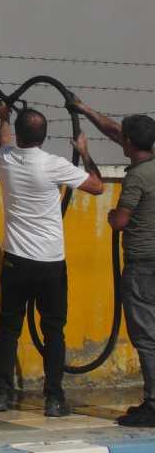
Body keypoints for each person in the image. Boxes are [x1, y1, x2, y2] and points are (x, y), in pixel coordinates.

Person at [0, 101, 103, 416]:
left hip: (15, 261)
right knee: (54, 331)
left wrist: (3, 118)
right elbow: (97, 186)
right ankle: (54, 399)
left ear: (21, 134)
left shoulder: (7, 158)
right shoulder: (53, 164)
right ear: (44, 135)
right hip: (51, 264)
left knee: (8, 328)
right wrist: (85, 151)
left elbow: (3, 140)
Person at [74, 99, 155, 426]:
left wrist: (85, 156)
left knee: (147, 338)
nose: (119, 139)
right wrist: (85, 109)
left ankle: (153, 405)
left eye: (124, 138)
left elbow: (119, 222)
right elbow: (116, 131)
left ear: (130, 144)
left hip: (142, 267)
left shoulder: (136, 178)